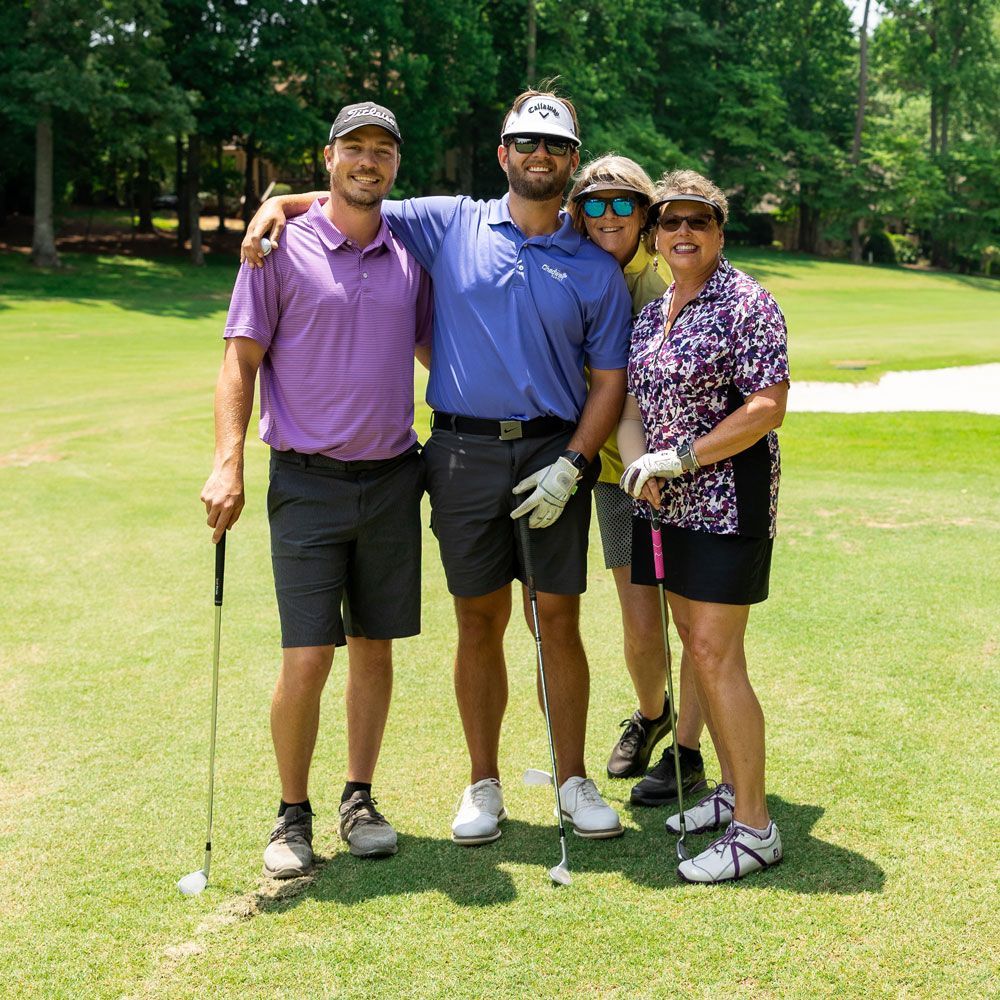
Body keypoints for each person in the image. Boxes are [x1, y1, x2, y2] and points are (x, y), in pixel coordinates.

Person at [243, 89, 631, 844]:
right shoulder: (450, 219)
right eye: (526, 143)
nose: (539, 156)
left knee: (556, 620)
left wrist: (575, 465)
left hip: (554, 449)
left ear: (572, 162)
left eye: (553, 147)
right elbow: (357, 195)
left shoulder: (594, 269)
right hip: (458, 452)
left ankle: (573, 779)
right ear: (503, 154)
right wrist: (280, 205)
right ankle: (484, 782)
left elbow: (609, 382)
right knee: (477, 620)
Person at [200, 102, 432, 878]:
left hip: (396, 477)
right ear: (328, 157)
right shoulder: (278, 249)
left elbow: (441, 348)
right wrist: (228, 460)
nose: (369, 163)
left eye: (383, 152)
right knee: (308, 656)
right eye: (355, 149)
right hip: (305, 482)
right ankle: (291, 814)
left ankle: (358, 797)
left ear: (395, 166)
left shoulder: (411, 252)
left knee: (374, 648)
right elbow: (240, 362)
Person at [618, 169, 789, 883]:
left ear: (719, 231)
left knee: (718, 656)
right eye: (671, 221)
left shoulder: (747, 302)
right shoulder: (653, 312)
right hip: (665, 507)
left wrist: (679, 458)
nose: (683, 232)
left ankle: (756, 826)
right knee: (693, 645)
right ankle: (727, 789)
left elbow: (766, 406)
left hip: (727, 506)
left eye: (699, 221)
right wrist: (639, 465)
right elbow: (631, 409)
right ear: (655, 234)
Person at [565, 156, 709, 802]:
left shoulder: (660, 284)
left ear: (646, 215)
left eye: (624, 204)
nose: (609, 216)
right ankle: (654, 714)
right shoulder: (569, 265)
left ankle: (688, 752)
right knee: (640, 624)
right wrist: (287, 206)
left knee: (694, 624)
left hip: (688, 477)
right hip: (615, 478)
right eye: (594, 203)